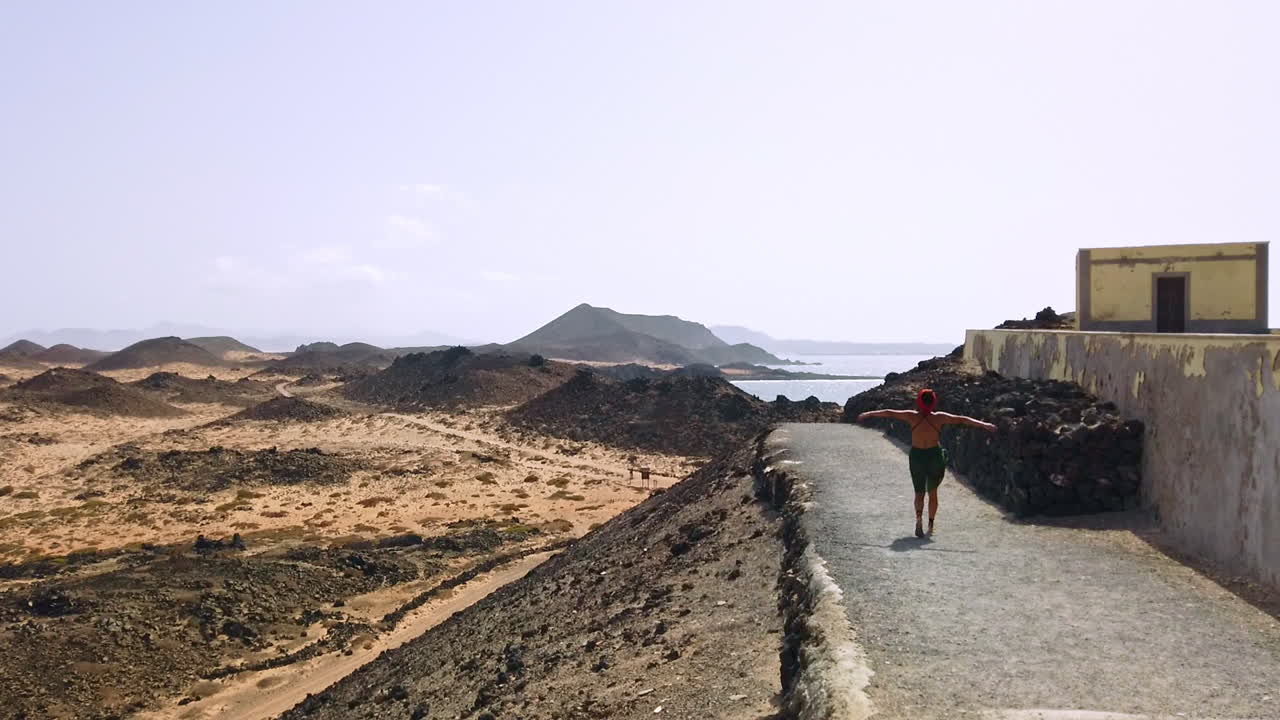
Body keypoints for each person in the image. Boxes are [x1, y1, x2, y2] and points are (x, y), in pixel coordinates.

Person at [856, 388, 996, 538]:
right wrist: (984, 424)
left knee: (919, 493)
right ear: (933, 402)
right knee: (933, 493)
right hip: (933, 455)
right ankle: (930, 524)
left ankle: (918, 519)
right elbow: (961, 419)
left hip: (917, 456)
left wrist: (869, 414)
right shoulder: (939, 417)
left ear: (919, 401)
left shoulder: (911, 416)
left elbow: (890, 412)